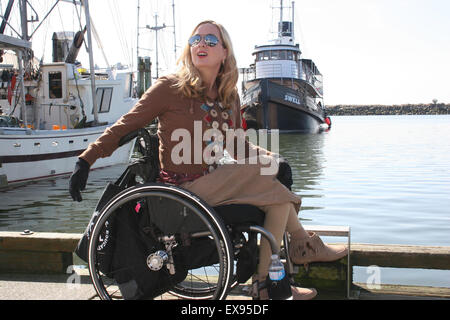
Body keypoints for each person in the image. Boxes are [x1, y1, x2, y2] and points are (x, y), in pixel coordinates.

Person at [69, 20, 347, 300]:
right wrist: (86, 160)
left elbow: (238, 147)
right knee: (268, 176)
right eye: (196, 39)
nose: (201, 44)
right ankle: (301, 247)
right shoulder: (169, 87)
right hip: (180, 193)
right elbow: (125, 125)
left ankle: (266, 283)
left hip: (215, 182)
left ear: (224, 52)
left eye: (211, 40)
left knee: (278, 193)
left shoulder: (229, 95)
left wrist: (273, 159)